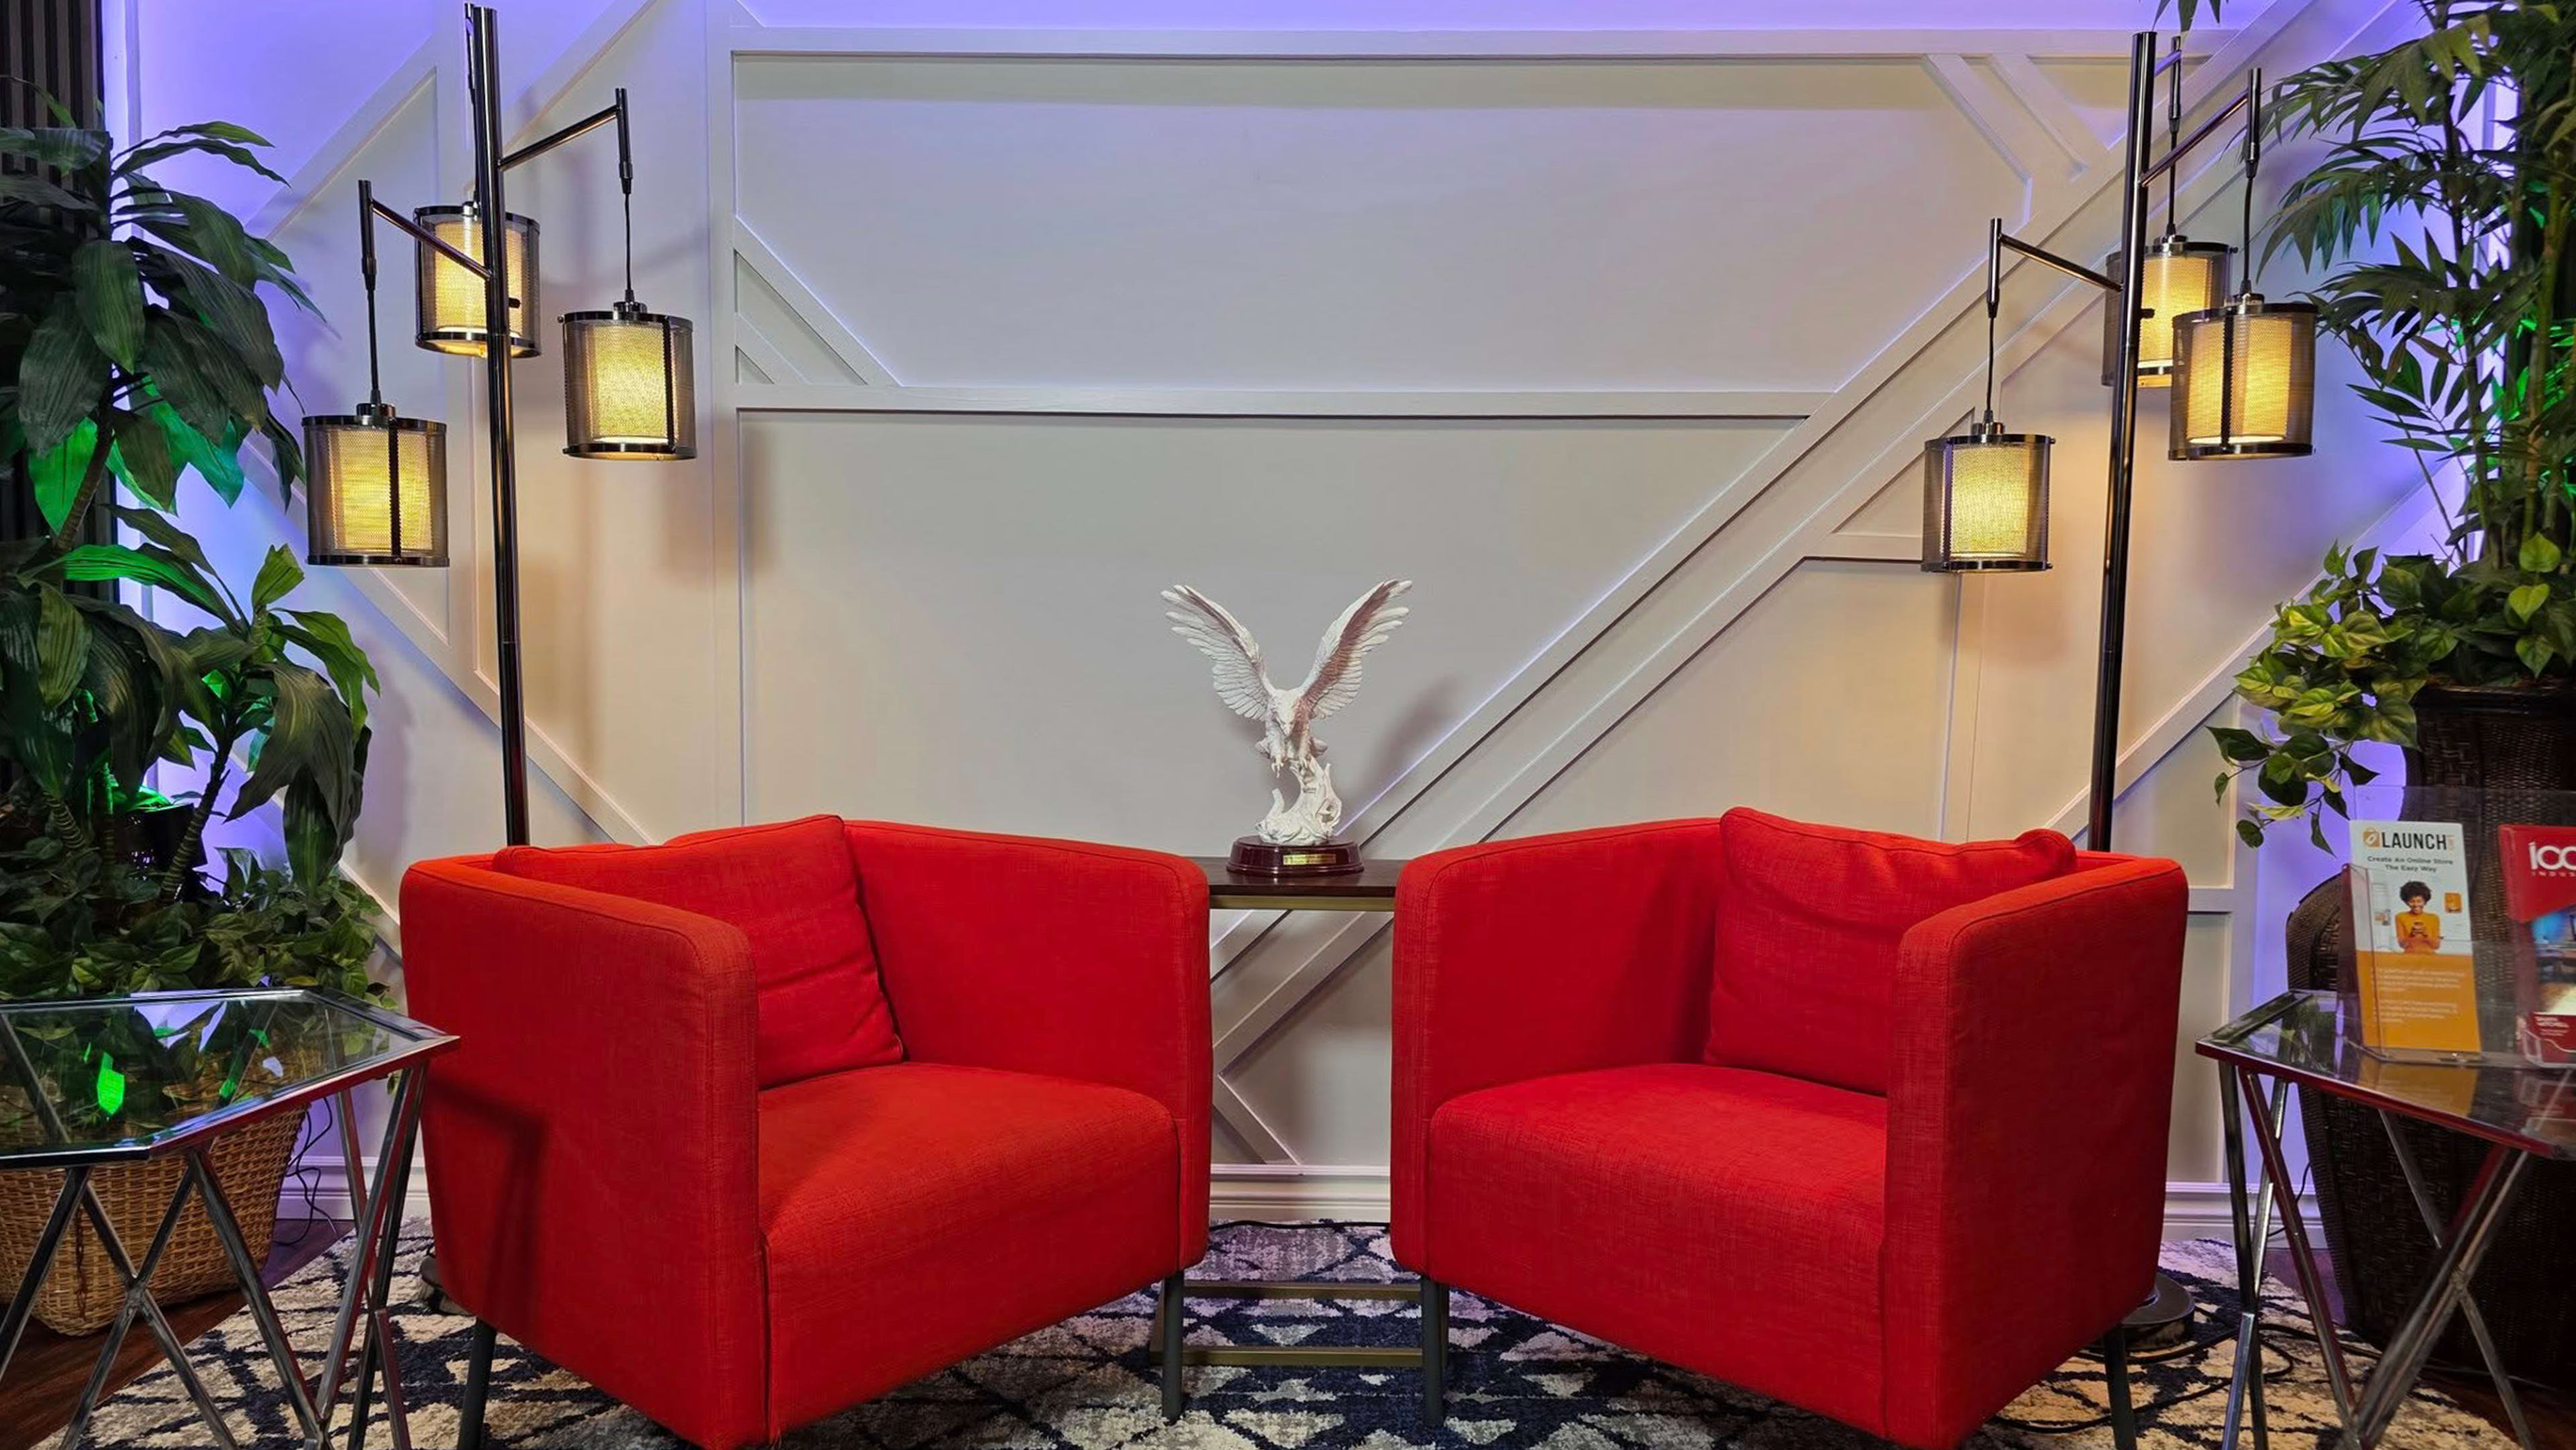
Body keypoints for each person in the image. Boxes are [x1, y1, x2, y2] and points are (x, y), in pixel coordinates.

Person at [2395, 880, 2443, 954]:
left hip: (2430, 959)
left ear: (2425, 901)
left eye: (2419, 901)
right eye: (2412, 901)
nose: (2416, 905)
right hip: (2409, 959)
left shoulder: (2434, 918)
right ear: (2406, 902)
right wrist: (2412, 935)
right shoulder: (2401, 917)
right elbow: (2402, 945)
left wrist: (2426, 935)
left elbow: (2436, 946)